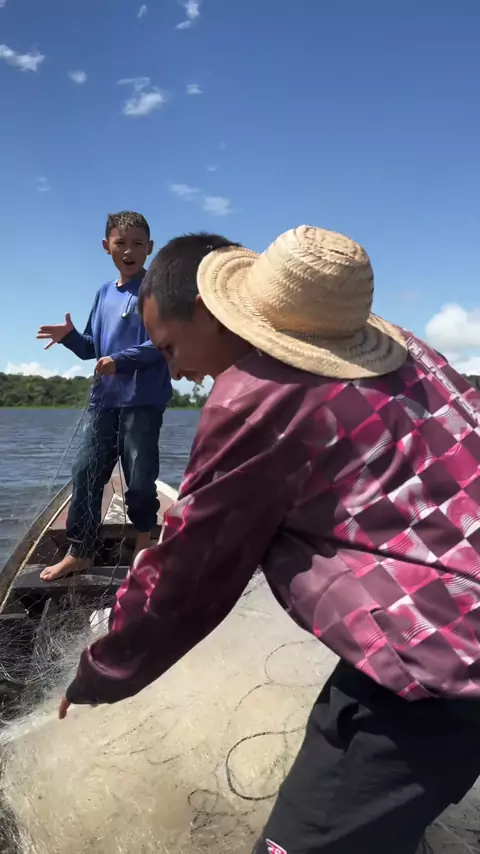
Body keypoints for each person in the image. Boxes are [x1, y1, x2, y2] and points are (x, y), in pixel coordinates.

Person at [60, 226, 480, 853]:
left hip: (443, 653)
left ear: (208, 311)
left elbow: (187, 576)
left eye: (169, 348)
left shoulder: (257, 397)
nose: (178, 373)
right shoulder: (410, 352)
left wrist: (99, 672)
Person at [37, 210, 171, 581]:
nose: (129, 250)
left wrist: (120, 361)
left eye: (138, 243)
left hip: (142, 402)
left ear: (150, 248)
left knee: (140, 480)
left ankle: (143, 542)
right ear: (105, 246)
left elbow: (161, 343)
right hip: (103, 403)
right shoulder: (102, 293)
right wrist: (69, 337)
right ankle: (80, 551)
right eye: (121, 243)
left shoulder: (157, 290)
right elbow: (92, 348)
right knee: (85, 473)